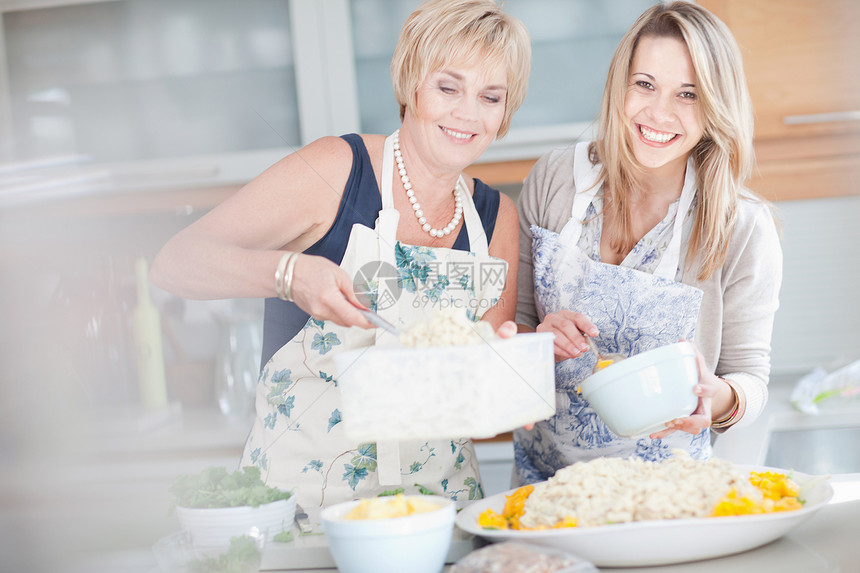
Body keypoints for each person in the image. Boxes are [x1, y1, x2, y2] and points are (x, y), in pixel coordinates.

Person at [151, 0, 530, 512]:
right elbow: (176, 261)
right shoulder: (336, 168)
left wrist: (515, 367)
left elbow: (482, 390)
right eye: (448, 87)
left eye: (490, 97)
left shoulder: (497, 218)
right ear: (410, 83)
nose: (468, 113)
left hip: (440, 512)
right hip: (301, 512)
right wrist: (291, 273)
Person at [513, 1, 782, 485]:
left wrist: (715, 395)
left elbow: (751, 378)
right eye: (645, 84)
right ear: (621, 84)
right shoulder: (555, 178)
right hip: (543, 494)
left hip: (669, 497)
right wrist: (536, 343)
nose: (659, 112)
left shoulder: (741, 225)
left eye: (688, 94)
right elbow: (512, 325)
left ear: (717, 104)